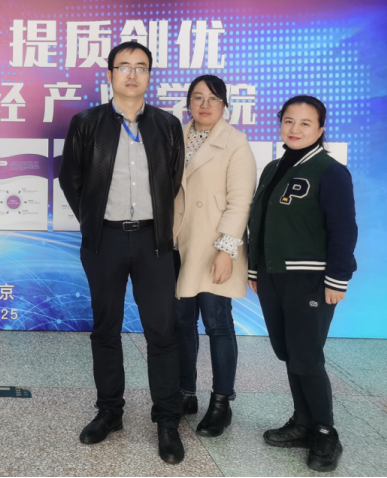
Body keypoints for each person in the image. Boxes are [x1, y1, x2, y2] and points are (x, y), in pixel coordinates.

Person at [60, 41, 186, 464]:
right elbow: (71, 178)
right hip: (105, 241)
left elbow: (172, 178)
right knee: (105, 329)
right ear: (110, 74)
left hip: (154, 241)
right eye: (124, 66)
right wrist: (92, 222)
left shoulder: (167, 125)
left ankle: (167, 421)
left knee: (162, 333)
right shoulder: (86, 123)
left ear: (150, 75)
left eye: (141, 67)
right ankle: (109, 412)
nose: (132, 74)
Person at [247, 95, 357, 472]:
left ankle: (325, 432)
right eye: (289, 121)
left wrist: (337, 279)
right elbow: (258, 222)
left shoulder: (330, 171)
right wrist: (255, 270)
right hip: (272, 276)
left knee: (307, 356)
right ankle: (303, 422)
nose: (295, 129)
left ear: (320, 129)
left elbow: (344, 230)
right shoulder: (272, 168)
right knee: (288, 352)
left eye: (305, 123)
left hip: (310, 279)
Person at [173, 75, 256, 437]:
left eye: (213, 98)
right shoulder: (175, 136)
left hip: (213, 247)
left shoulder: (235, 142)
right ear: (188, 103)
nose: (205, 105)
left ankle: (221, 403)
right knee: (181, 324)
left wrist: (226, 250)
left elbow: (241, 202)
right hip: (176, 244)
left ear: (224, 104)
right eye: (198, 98)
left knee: (218, 324)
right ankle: (184, 393)